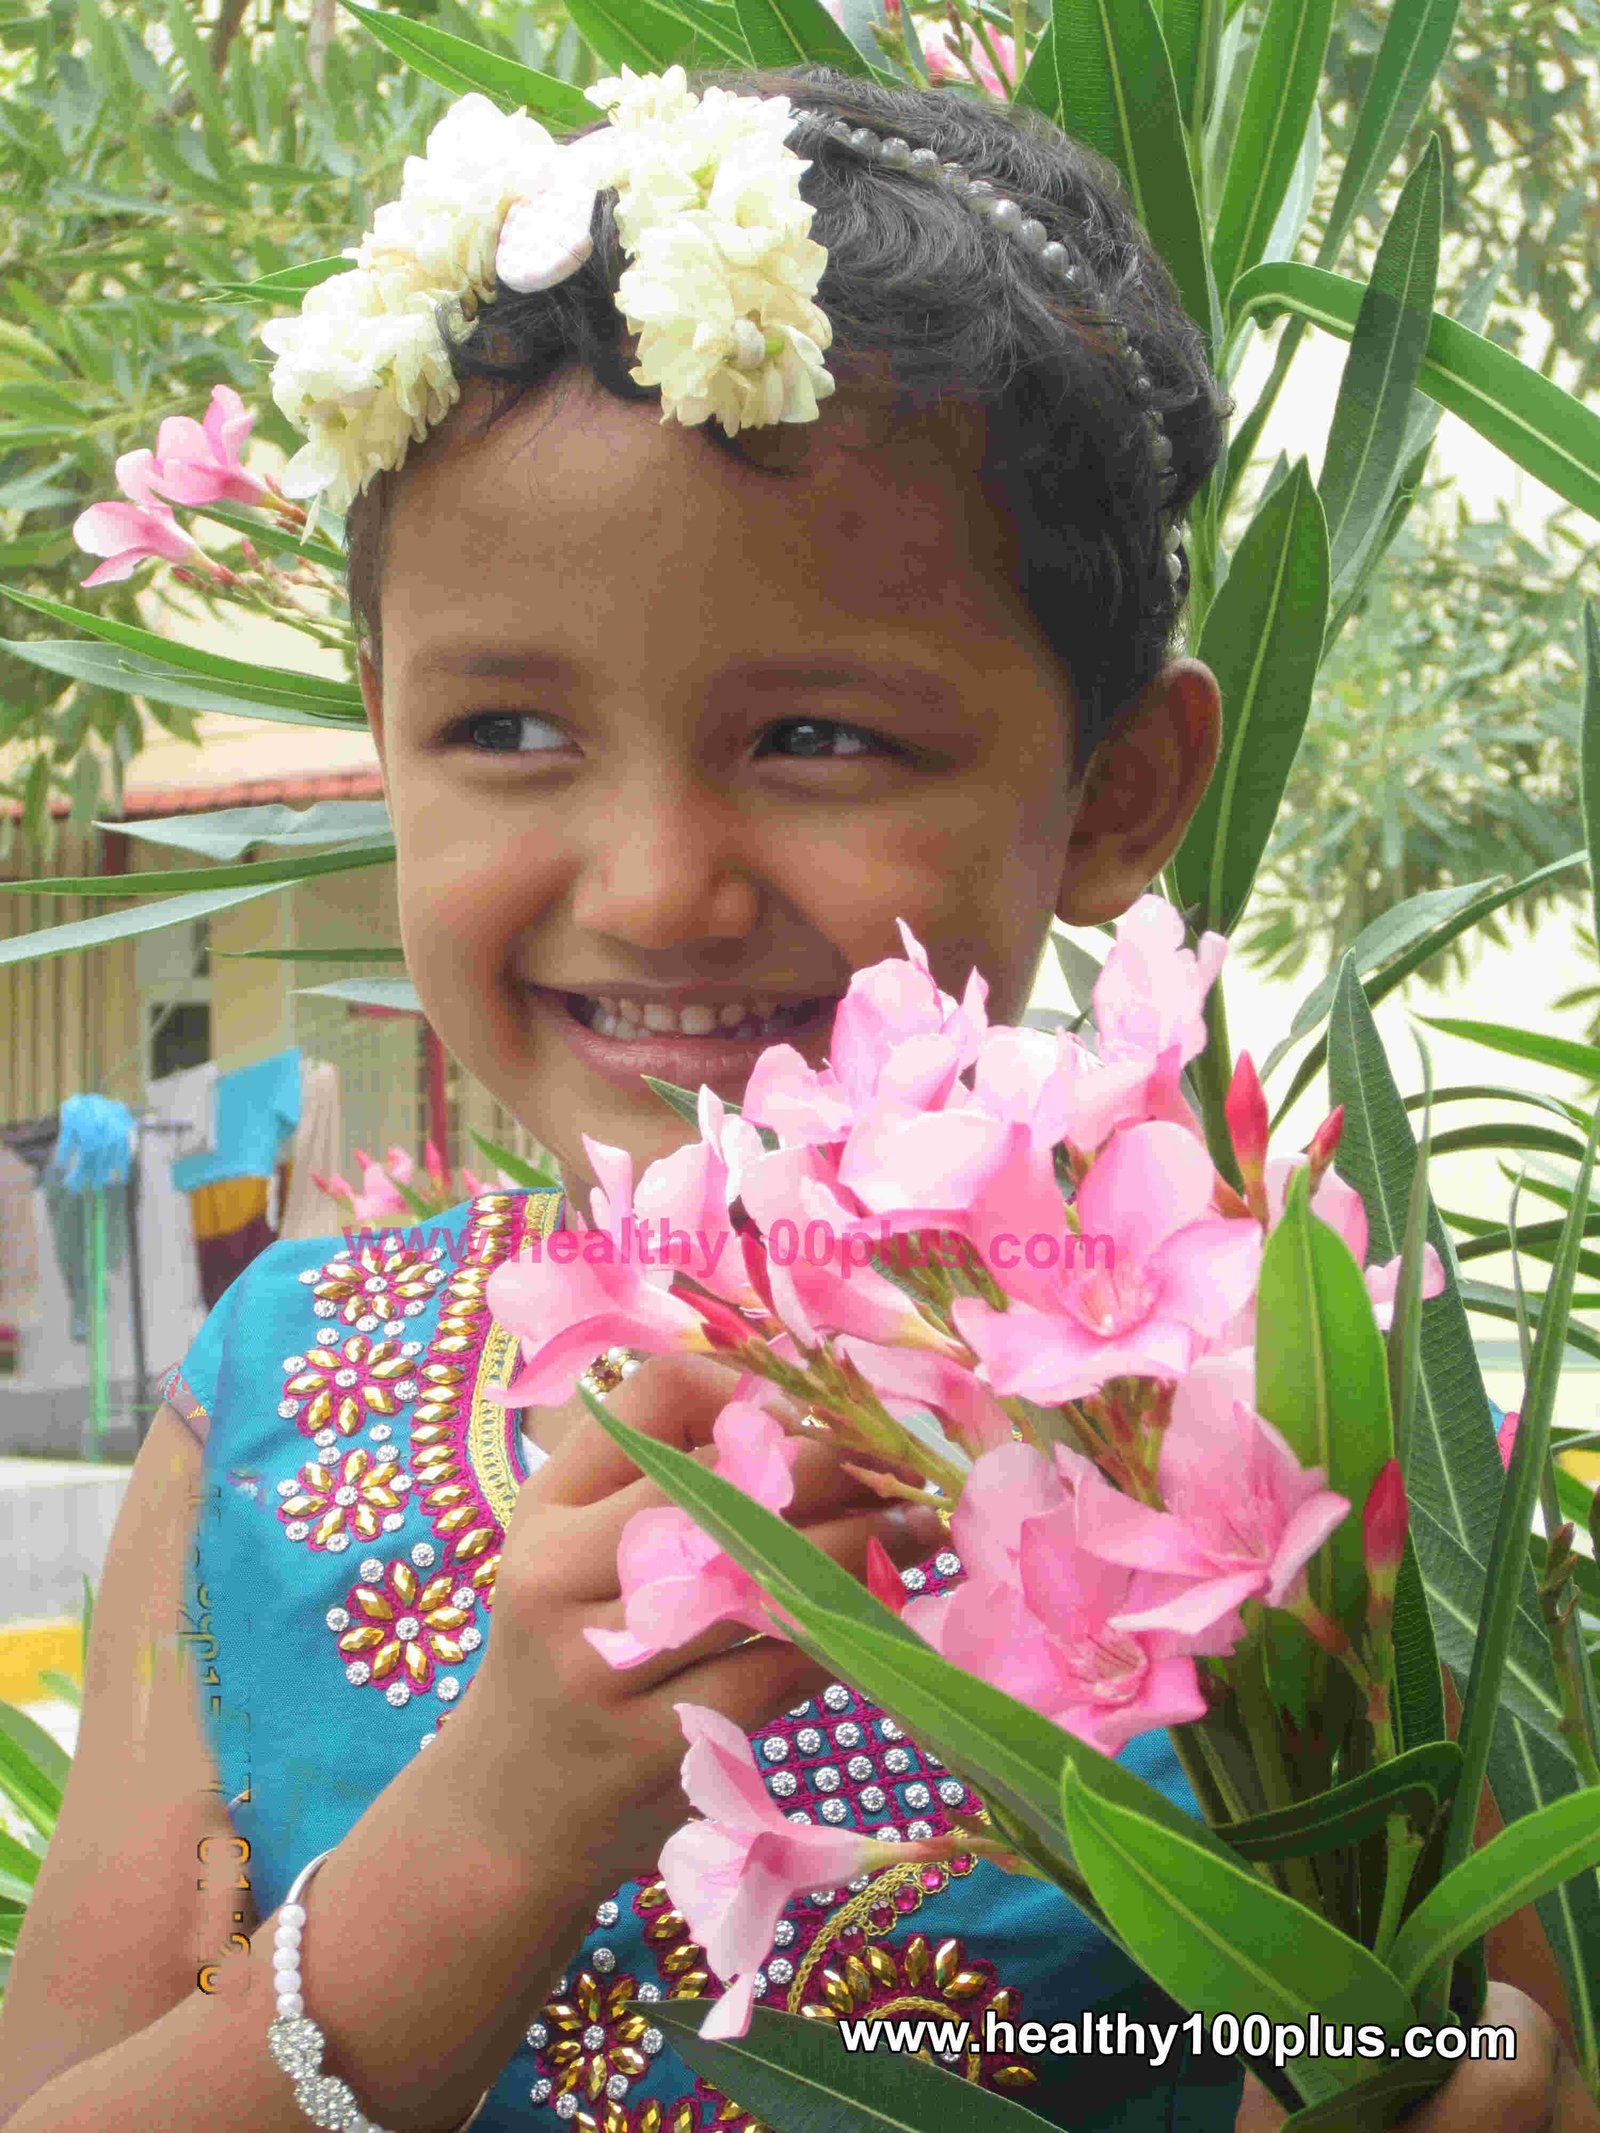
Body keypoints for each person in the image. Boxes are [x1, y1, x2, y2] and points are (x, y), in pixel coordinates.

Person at [0, 58, 1592, 2133]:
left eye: (823, 734)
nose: (659, 884)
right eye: (501, 722)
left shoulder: (1313, 1417)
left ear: (1115, 791)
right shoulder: (271, 1392)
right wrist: (488, 1832)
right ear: (380, 737)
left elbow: (1480, 2033)